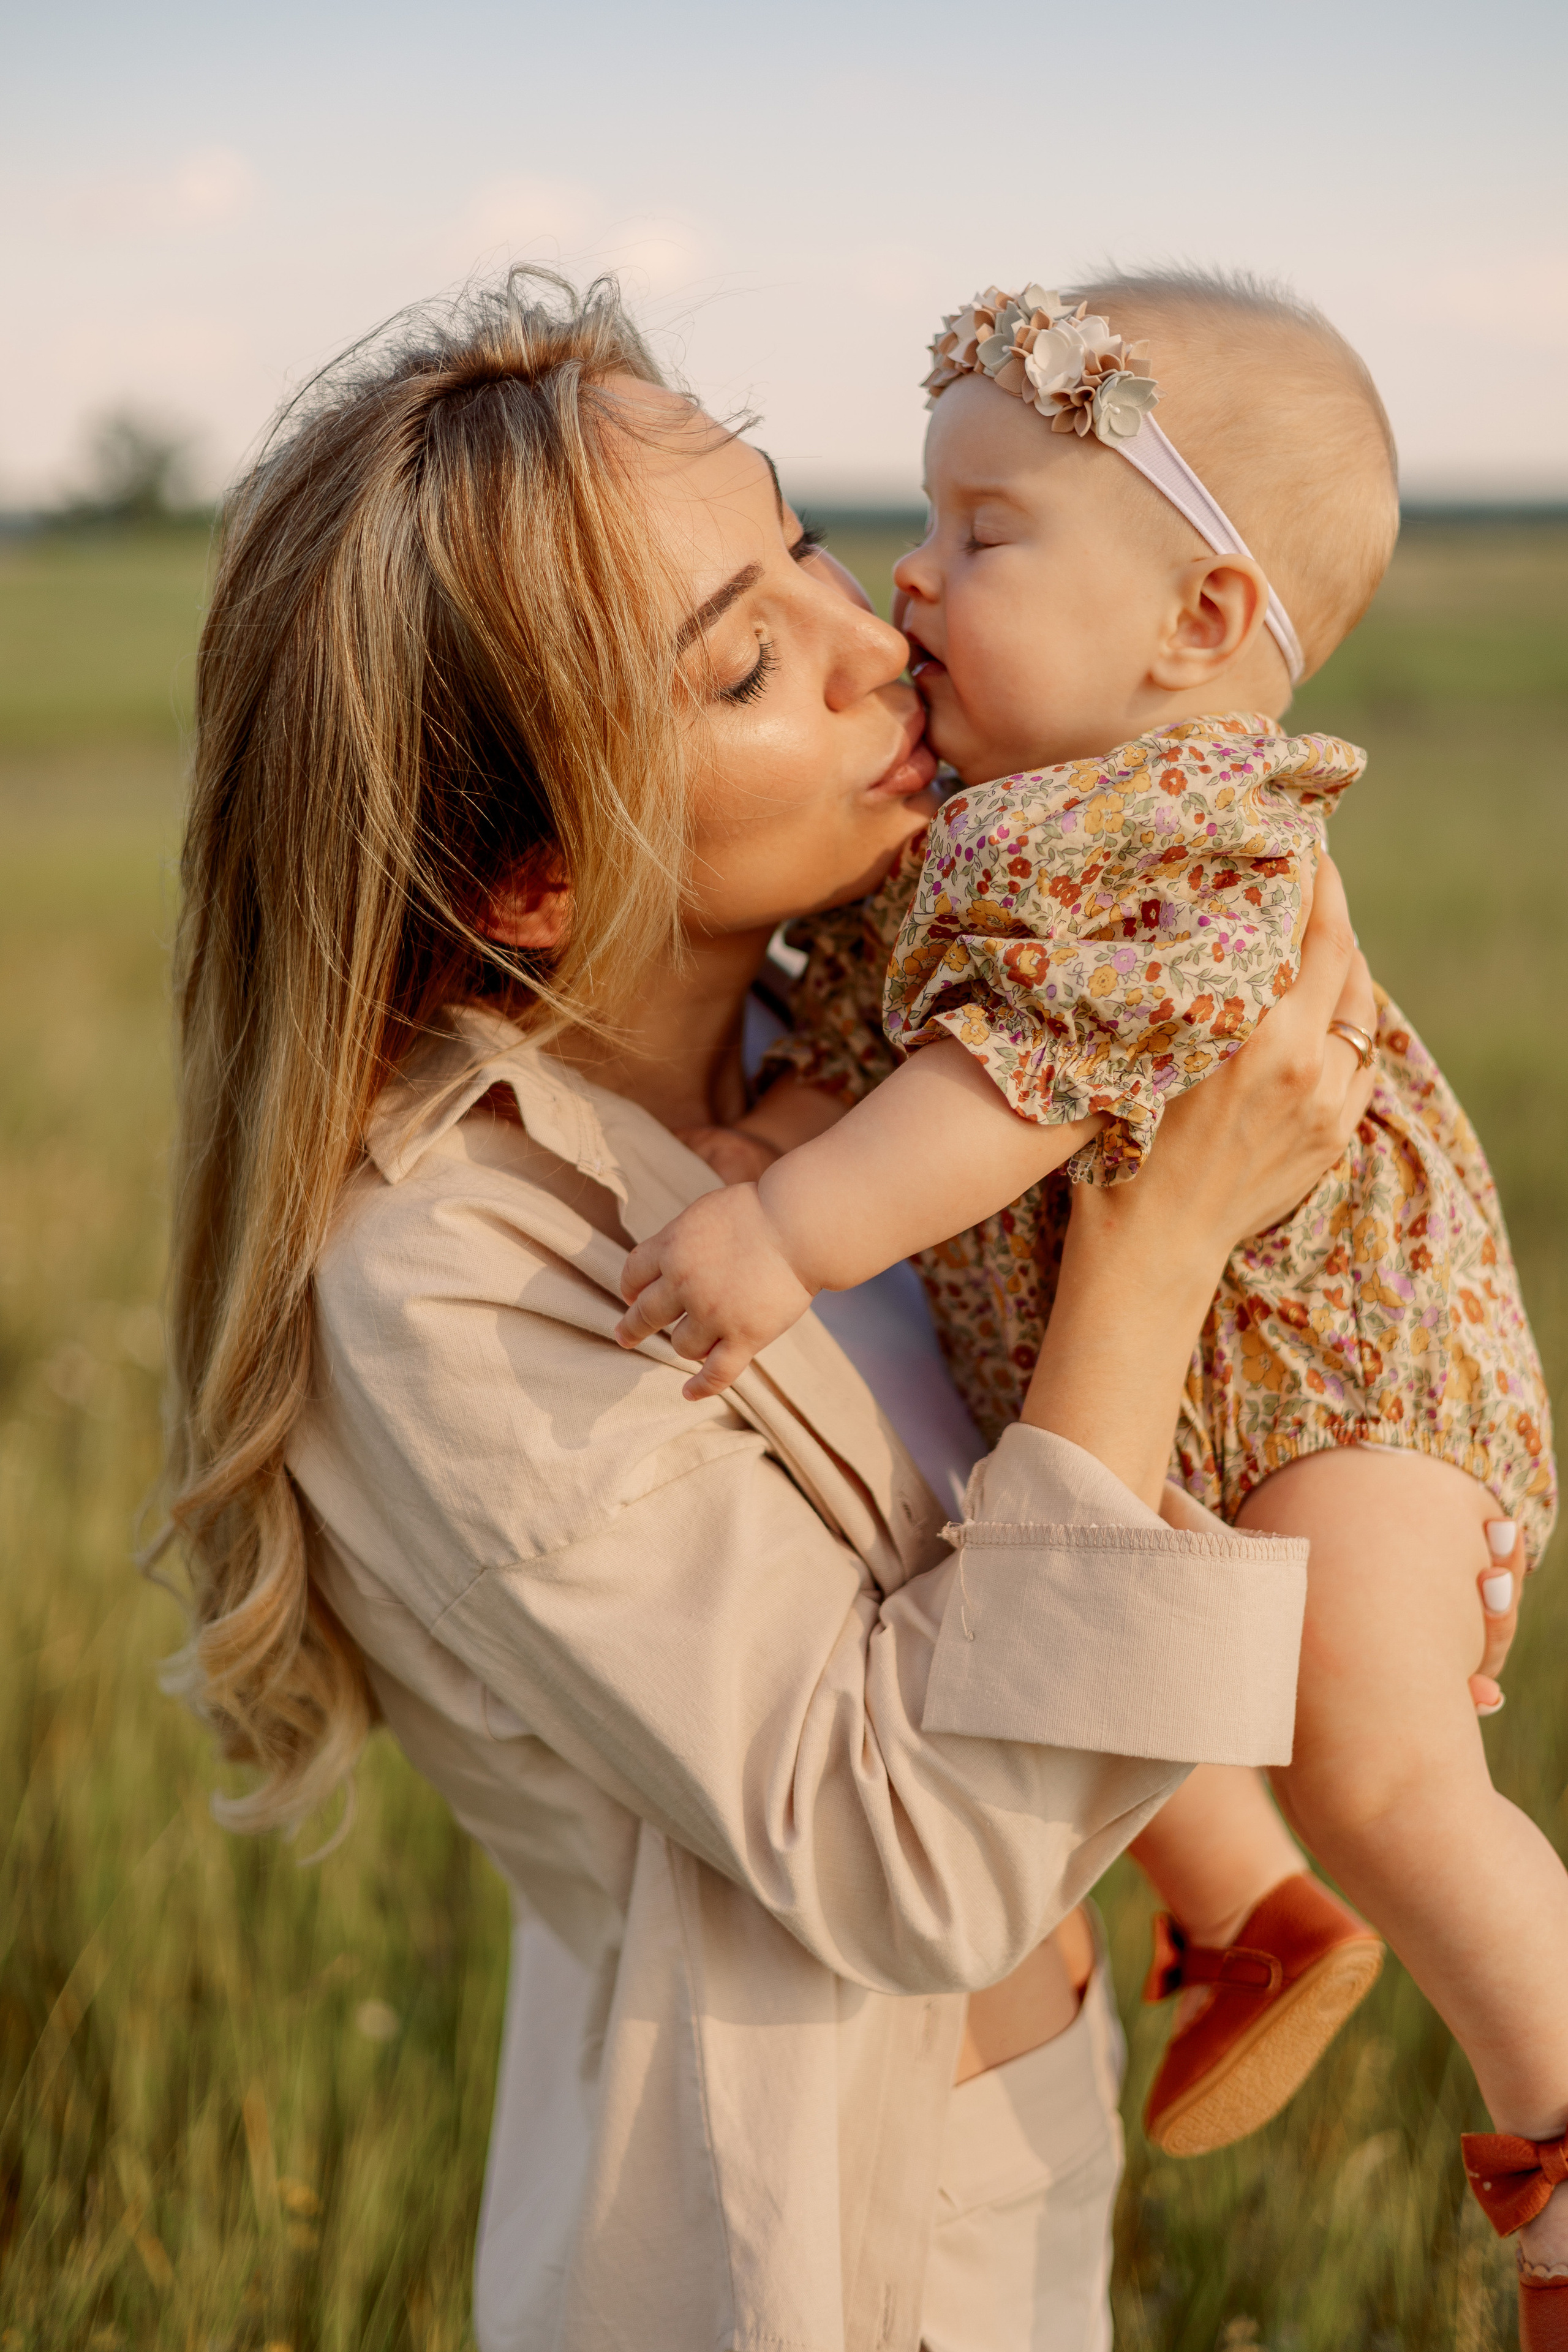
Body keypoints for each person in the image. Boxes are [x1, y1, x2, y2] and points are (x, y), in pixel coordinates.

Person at [158, 270, 1477, 2352]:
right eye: (756, 661)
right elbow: (918, 1870)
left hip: (1015, 2161)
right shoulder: (450, 1271)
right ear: (530, 883)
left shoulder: (846, 1037)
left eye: (795, 536)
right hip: (816, 2258)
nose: (891, 635)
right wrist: (1158, 1246)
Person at [613, 273, 1565, 2337]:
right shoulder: (977, 828)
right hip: (1199, 1372)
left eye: (987, 533)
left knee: (1378, 1757)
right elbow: (871, 1036)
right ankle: (1245, 1915)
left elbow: (1010, 1084)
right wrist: (777, 1119)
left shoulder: (1196, 836)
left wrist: (787, 1235)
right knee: (1088, 1597)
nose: (912, 574)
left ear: (1198, 628)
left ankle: (1559, 2127)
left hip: (1346, 1377)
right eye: (930, 522)